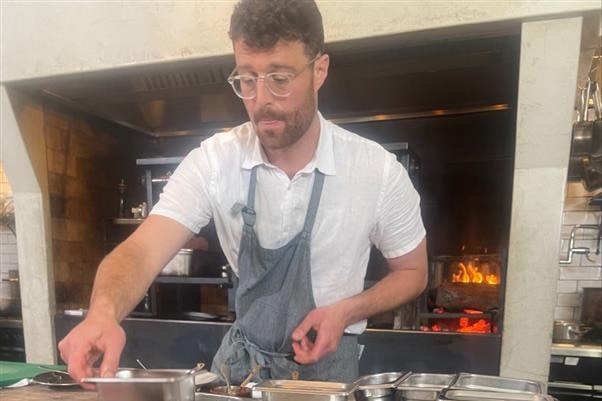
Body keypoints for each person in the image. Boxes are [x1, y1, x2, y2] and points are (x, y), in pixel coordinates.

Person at [59, 0, 427, 385]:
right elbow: (141, 251)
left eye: (280, 78)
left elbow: (413, 271)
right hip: (239, 377)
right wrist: (102, 312)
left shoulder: (376, 170)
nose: (261, 99)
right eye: (247, 80)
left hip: (324, 384)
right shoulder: (216, 161)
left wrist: (348, 311)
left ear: (319, 70)